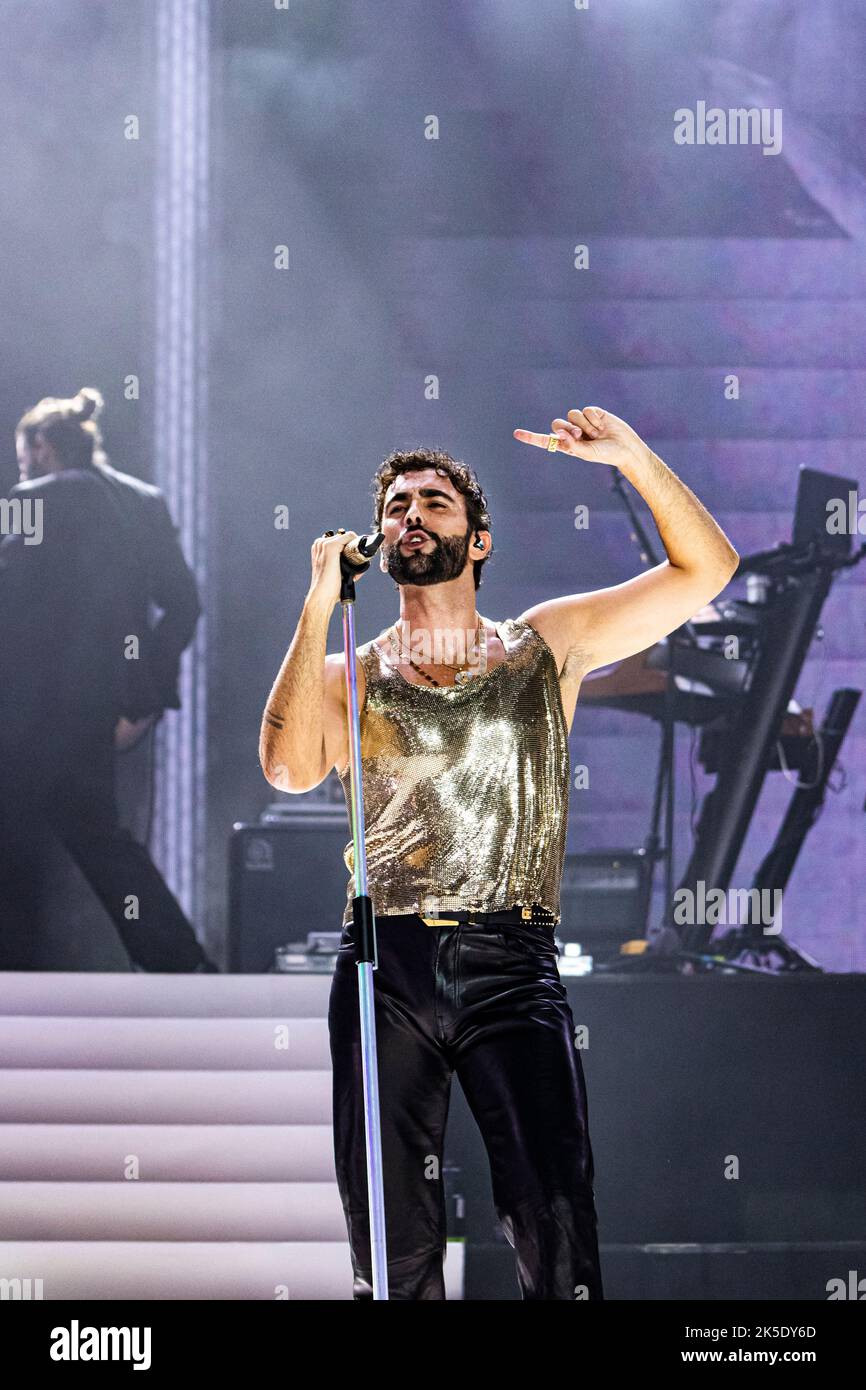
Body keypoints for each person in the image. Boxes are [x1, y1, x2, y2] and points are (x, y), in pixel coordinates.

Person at [259, 404, 739, 1299]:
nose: (411, 516)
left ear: (477, 540)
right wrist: (319, 604)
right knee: (392, 1232)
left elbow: (707, 570)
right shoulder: (350, 671)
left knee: (552, 1215)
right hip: (383, 962)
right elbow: (287, 768)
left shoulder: (544, 644)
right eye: (397, 505)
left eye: (434, 503)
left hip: (508, 957)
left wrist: (630, 456)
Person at [0, 387, 217, 972]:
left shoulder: (27, 499)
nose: (20, 463)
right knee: (99, 836)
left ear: (42, 446)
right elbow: (184, 604)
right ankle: (184, 964)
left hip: (24, 710)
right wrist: (145, 691)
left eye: (24, 451)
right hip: (98, 708)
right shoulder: (145, 502)